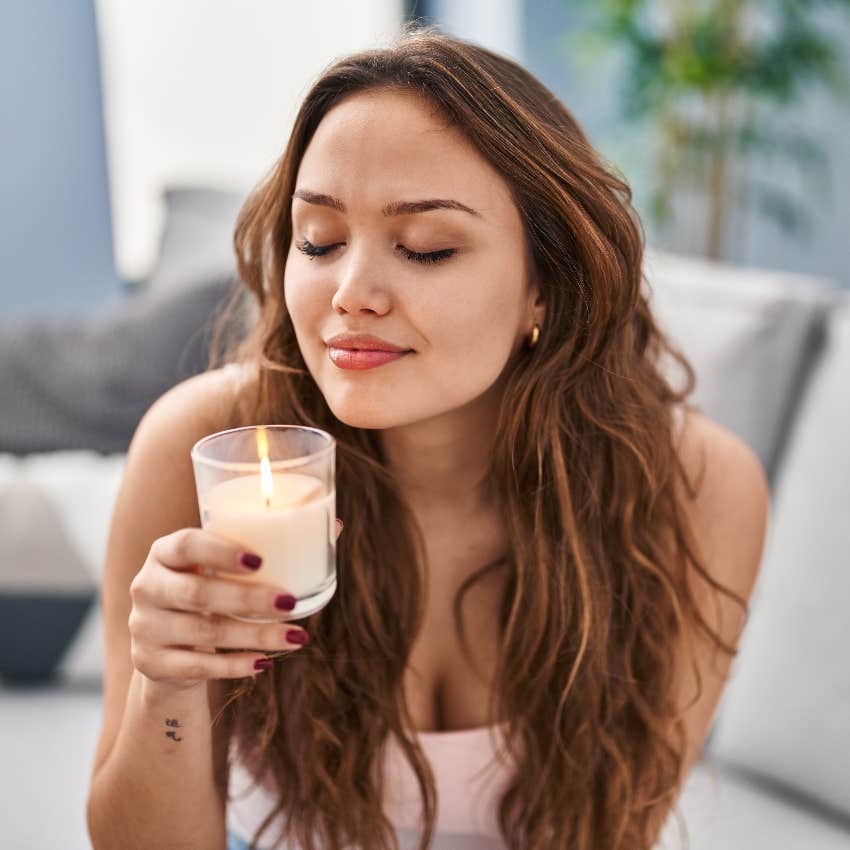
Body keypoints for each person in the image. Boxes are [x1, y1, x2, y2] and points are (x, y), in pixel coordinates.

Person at [85, 24, 769, 850]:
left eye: (426, 249)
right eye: (319, 240)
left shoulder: (695, 487)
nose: (351, 293)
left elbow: (614, 834)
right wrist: (168, 686)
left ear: (542, 290)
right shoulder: (206, 447)